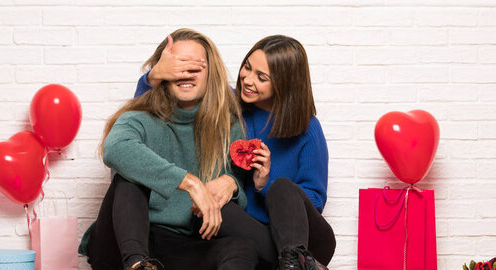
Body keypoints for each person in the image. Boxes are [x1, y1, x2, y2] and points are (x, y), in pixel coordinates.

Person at [135, 35, 336, 270]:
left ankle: (295, 259)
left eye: (261, 77)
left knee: (282, 186)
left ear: (284, 83)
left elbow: (316, 200)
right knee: (218, 209)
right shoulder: (227, 105)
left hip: (305, 239)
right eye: (247, 68)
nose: (248, 80)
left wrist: (264, 185)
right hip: (252, 237)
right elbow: (145, 110)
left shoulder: (308, 128)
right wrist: (155, 75)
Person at [78, 28, 260, 270]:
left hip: (180, 244)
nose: (185, 73)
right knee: (130, 175)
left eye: (195, 67)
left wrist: (232, 182)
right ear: (162, 72)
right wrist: (190, 183)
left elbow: (236, 190)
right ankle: (137, 265)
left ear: (210, 74)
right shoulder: (139, 117)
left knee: (242, 249)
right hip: (124, 243)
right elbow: (115, 148)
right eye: (177, 66)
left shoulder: (228, 125)